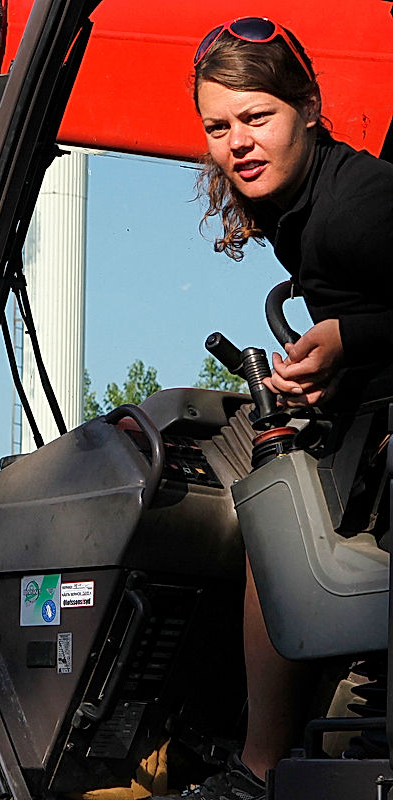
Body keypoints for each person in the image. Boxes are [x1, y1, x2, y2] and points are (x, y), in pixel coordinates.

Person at [154, 16, 393, 800]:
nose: (237, 144)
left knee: (273, 516)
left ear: (311, 108)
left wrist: (351, 336)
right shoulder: (300, 207)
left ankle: (256, 772)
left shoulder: (355, 210)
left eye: (257, 118)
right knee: (267, 486)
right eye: (218, 127)